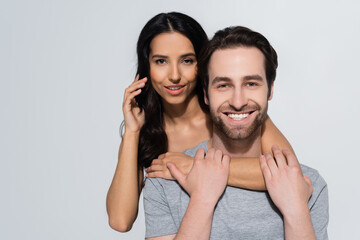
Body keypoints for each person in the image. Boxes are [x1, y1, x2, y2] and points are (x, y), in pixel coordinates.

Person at [106, 12, 294, 232]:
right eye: (161, 61)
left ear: (202, 65)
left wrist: (195, 166)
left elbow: (290, 173)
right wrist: (131, 132)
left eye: (187, 60)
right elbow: (120, 221)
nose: (174, 75)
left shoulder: (228, 112)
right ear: (146, 67)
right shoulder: (144, 132)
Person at [143, 26, 329, 239]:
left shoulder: (307, 185)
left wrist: (296, 211)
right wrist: (202, 200)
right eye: (223, 85)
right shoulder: (165, 179)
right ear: (206, 94)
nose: (238, 102)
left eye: (251, 83)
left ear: (270, 89)